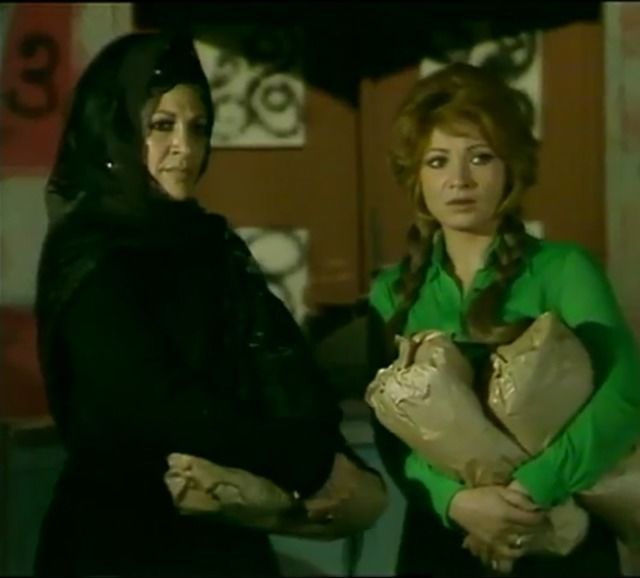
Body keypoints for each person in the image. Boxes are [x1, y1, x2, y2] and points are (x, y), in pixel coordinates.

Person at [34, 31, 385, 577]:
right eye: (161, 126)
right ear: (116, 130)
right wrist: (305, 460)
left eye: (198, 128)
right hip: (122, 542)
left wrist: (329, 456)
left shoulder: (209, 246)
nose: (185, 147)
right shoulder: (91, 254)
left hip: (225, 536)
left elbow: (281, 365)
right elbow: (155, 403)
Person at [367, 61, 640, 577]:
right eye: (438, 161)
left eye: (480, 157)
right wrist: (454, 501)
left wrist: (531, 489)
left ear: (511, 167)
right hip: (443, 544)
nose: (459, 180)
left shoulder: (563, 269)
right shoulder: (392, 292)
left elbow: (626, 394)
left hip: (557, 534)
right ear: (416, 177)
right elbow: (389, 436)